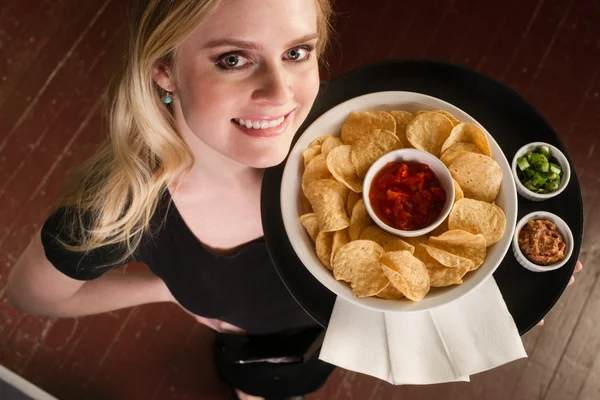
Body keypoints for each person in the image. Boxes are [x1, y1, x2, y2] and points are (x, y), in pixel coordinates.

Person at [4, 0, 583, 399]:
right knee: (269, 383)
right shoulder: (121, 210)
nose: (281, 97)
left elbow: (417, 264)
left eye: (297, 52)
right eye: (232, 59)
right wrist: (165, 288)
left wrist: (513, 263)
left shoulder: (338, 144)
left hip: (334, 329)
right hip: (254, 341)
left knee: (315, 369)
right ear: (163, 69)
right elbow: (32, 296)